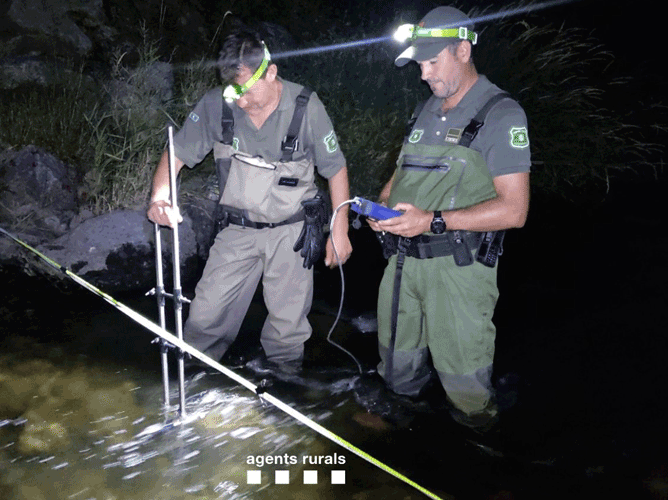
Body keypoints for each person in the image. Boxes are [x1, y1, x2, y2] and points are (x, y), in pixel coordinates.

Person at [147, 25, 352, 373]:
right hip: (237, 229)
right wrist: (160, 198)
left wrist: (340, 230)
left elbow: (335, 168)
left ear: (271, 72)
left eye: (245, 90)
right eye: (233, 91)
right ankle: (195, 375)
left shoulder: (306, 106)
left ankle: (285, 383)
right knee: (203, 318)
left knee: (287, 330)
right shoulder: (217, 104)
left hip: (291, 233)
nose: (239, 101)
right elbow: (177, 153)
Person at [367, 6, 531, 430]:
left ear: (463, 50)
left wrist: (432, 221)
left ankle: (480, 448)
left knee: (465, 387)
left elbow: (515, 211)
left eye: (432, 62)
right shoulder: (426, 110)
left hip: (458, 271)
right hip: (401, 263)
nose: (424, 74)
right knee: (396, 368)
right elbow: (397, 180)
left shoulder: (502, 114)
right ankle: (399, 441)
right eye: (419, 64)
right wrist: (380, 208)